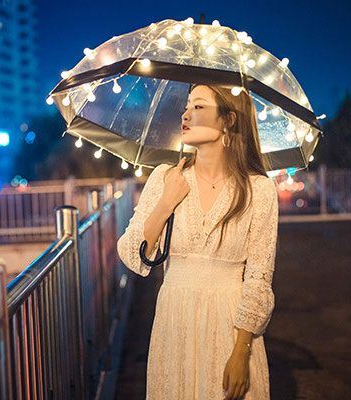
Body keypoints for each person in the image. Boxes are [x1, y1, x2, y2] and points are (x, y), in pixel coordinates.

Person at [116, 84, 278, 399]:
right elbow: (131, 253)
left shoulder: (258, 190)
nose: (186, 114)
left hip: (230, 324)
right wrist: (166, 202)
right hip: (175, 321)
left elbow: (259, 277)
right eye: (187, 106)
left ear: (228, 119)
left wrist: (241, 351)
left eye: (199, 106)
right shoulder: (166, 178)